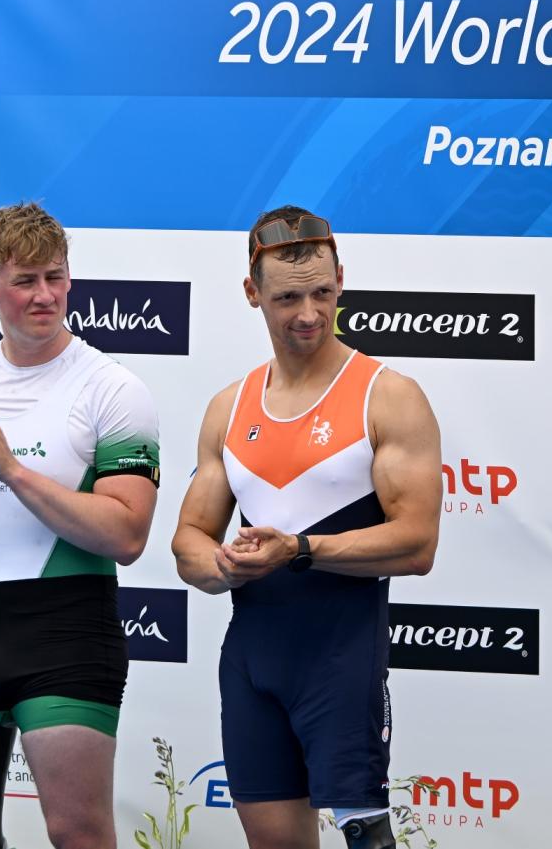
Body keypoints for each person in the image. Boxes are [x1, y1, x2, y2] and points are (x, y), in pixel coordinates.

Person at [172, 205, 442, 849]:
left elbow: (417, 543)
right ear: (252, 292)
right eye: (288, 298)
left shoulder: (388, 395)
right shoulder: (229, 406)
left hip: (341, 662)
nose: (309, 314)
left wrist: (298, 550)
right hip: (252, 662)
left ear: (341, 280)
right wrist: (223, 565)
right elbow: (188, 540)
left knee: (368, 842)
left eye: (322, 293)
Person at [0, 202, 160, 849]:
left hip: (69, 637)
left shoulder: (111, 388)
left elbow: (127, 534)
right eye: (25, 280)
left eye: (55, 277)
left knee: (77, 833)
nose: (45, 295)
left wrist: (13, 471)